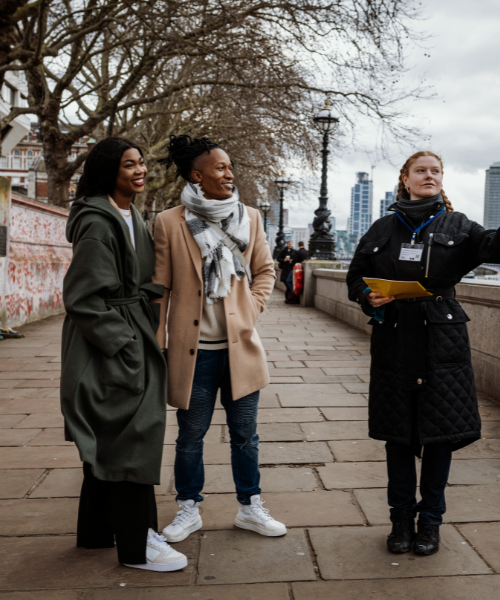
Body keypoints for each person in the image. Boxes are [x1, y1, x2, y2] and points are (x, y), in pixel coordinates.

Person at [346, 151, 500, 556]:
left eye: (436, 171)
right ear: (405, 179)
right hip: (393, 338)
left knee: (438, 435)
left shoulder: (457, 225)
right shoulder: (381, 228)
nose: (430, 176)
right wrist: (366, 295)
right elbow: (356, 276)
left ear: (442, 179)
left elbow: (498, 247)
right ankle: (400, 520)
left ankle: (430, 522)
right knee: (398, 436)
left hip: (440, 339)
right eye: (421, 171)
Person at [61, 137, 187, 572]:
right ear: (107, 171)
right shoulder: (99, 221)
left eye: (141, 163)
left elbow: (136, 275)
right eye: (128, 164)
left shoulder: (127, 212)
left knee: (111, 434)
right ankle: (138, 547)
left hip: (126, 331)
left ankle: (97, 534)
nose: (139, 171)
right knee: (136, 436)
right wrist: (125, 342)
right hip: (111, 340)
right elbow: (81, 298)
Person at [153, 134, 286, 543]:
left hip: (239, 348)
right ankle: (188, 509)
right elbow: (159, 288)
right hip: (193, 354)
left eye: (230, 167)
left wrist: (252, 308)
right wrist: (158, 340)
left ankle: (250, 507)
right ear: (197, 175)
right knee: (190, 436)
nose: (230, 173)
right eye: (221, 168)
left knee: (246, 435)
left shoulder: (250, 217)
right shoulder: (169, 222)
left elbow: (265, 270)